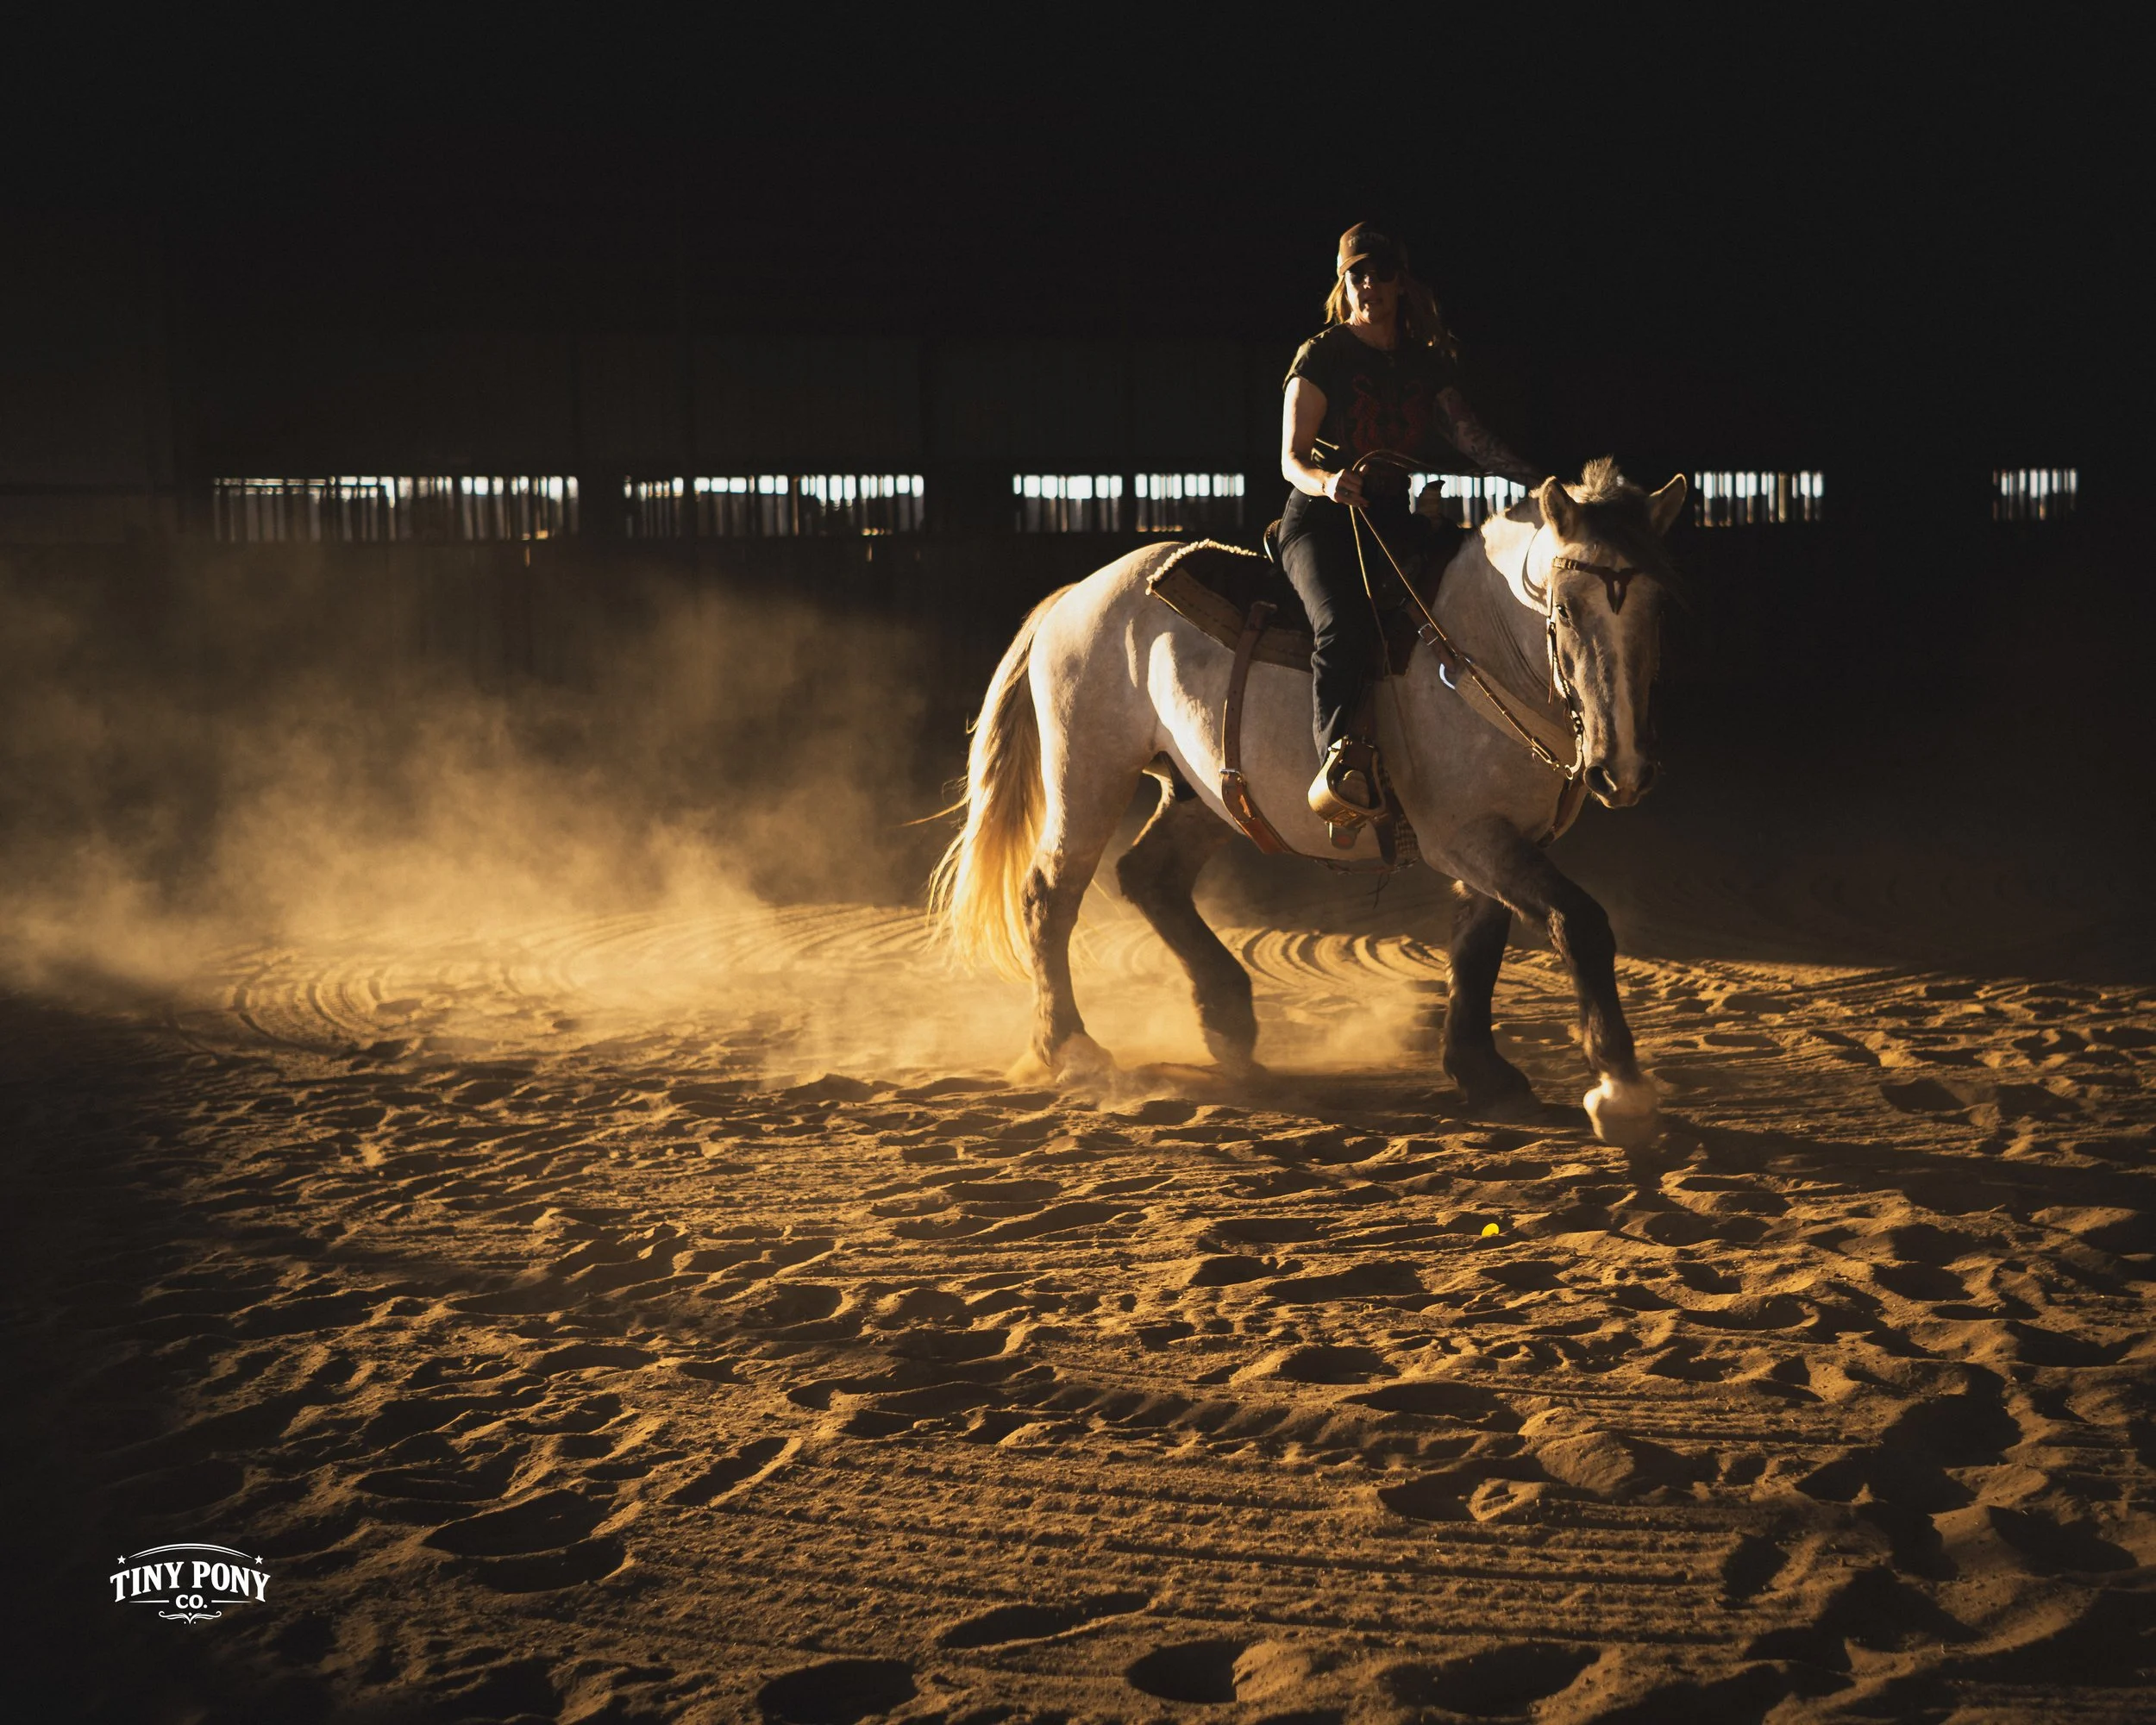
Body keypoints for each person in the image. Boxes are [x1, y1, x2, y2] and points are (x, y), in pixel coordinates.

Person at [1279, 222, 1542, 825]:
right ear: (1343, 284)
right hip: (1322, 519)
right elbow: (1289, 458)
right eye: (1356, 274)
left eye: (1380, 273)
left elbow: (1475, 442)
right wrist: (1328, 481)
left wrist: (1542, 484)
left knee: (1467, 596)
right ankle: (1338, 769)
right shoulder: (1322, 355)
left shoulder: (1425, 366)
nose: (1368, 284)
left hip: (1391, 520)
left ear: (1401, 285)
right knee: (1343, 626)